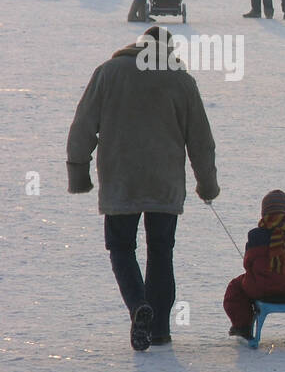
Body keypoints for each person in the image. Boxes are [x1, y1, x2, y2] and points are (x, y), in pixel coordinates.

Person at [67, 26, 219, 350]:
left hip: (121, 179)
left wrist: (78, 170)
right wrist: (207, 184)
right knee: (161, 252)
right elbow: (201, 140)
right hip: (164, 182)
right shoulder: (182, 81)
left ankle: (139, 307)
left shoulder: (108, 73)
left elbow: (83, 125)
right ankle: (160, 329)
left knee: (121, 248)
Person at [224, 190, 285, 340]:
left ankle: (242, 325)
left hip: (260, 289)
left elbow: (248, 263)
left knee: (235, 287)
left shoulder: (255, 235)